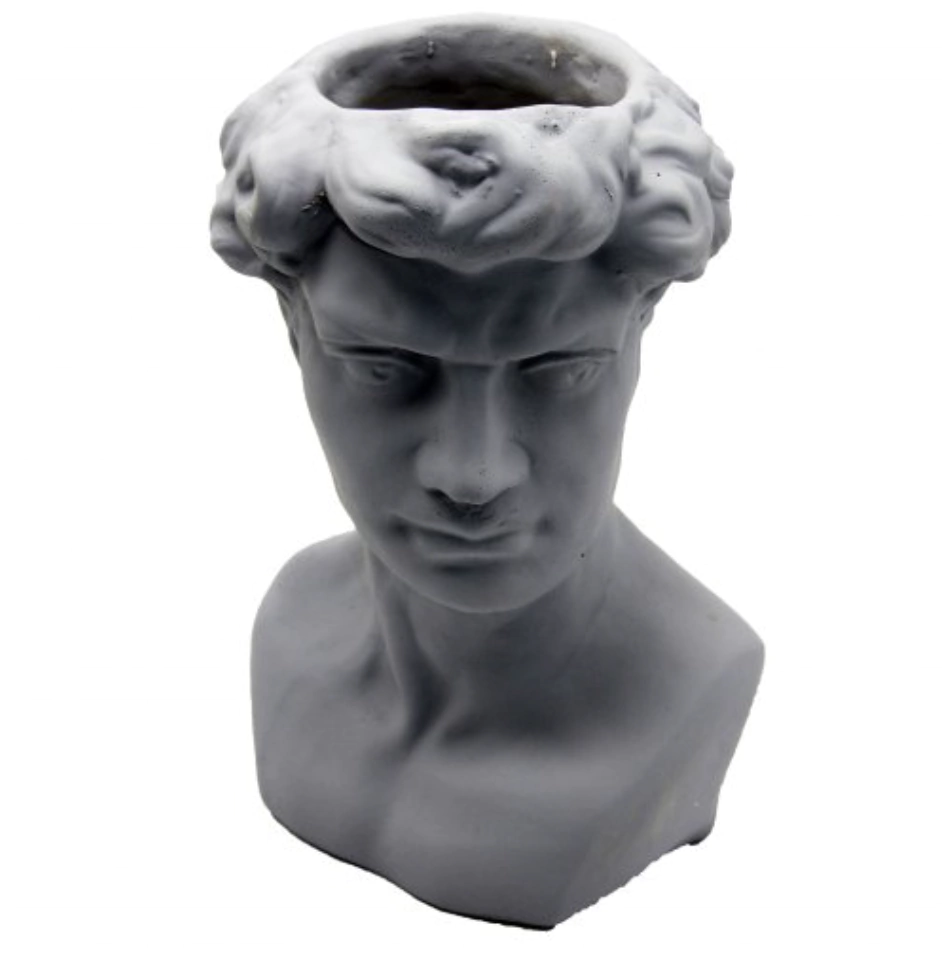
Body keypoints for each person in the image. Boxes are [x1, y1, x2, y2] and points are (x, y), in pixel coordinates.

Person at [211, 15, 763, 928]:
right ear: (295, 334)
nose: (474, 474)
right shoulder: (292, 621)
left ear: (640, 327)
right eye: (384, 369)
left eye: (560, 371)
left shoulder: (702, 674)